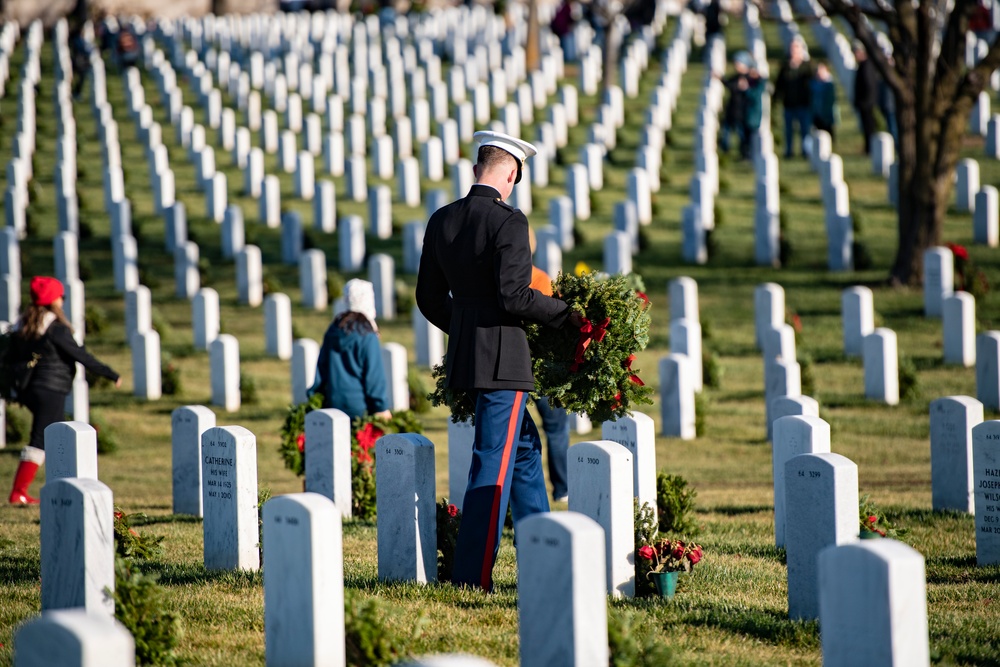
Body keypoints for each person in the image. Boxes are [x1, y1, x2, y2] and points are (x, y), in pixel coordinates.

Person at [416, 131, 581, 591]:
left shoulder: (442, 219)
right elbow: (515, 296)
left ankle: (544, 554)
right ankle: (472, 575)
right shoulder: (508, 221)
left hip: (469, 359)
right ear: (511, 174)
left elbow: (428, 298)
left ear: (476, 170)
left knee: (524, 451)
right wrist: (566, 315)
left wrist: (467, 328)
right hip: (504, 361)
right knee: (491, 460)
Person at [8, 277, 122, 505]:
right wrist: (110, 373)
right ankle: (18, 492)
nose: (63, 300)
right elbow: (81, 355)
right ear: (54, 300)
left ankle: (64, 484)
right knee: (41, 438)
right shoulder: (55, 328)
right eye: (61, 296)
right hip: (50, 389)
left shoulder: (25, 324)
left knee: (57, 436)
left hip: (29, 389)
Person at [308, 279, 391, 422]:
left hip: (332, 406)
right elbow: (374, 376)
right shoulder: (367, 335)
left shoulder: (334, 330)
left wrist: (315, 398)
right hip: (360, 409)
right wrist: (381, 407)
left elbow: (321, 368)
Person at [527, 228, 570, 503]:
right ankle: (562, 487)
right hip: (542, 365)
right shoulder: (540, 279)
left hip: (509, 363)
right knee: (555, 428)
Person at [774, 36, 813, 158]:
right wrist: (775, 100)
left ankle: (805, 151)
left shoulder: (807, 67)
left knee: (805, 130)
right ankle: (789, 151)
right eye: (792, 48)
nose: (793, 51)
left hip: (803, 104)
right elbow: (779, 85)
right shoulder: (785, 67)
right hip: (789, 104)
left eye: (796, 48)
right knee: (788, 130)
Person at [719, 51, 753, 158]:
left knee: (741, 134)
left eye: (738, 63)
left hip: (742, 112)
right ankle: (724, 150)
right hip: (732, 110)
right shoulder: (736, 77)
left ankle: (745, 153)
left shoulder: (749, 78)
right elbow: (730, 84)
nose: (736, 65)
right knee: (726, 132)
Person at [853, 40, 879, 155]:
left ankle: (870, 148)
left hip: (866, 103)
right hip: (865, 102)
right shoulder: (864, 65)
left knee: (869, 127)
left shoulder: (866, 66)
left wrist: (865, 101)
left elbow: (868, 85)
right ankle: (868, 147)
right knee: (866, 127)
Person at [810, 60, 838, 142]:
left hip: (827, 113)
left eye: (821, 70)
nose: (819, 72)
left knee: (828, 132)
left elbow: (831, 100)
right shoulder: (813, 84)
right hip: (817, 112)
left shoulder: (829, 84)